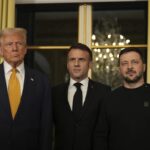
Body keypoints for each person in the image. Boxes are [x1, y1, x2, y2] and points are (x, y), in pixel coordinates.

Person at [0, 27, 52, 150]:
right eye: (9, 44)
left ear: (25, 49)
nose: (14, 48)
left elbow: (46, 125)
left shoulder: (41, 81)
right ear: (1, 50)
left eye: (19, 43)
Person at [52, 43, 111, 150]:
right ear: (67, 64)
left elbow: (107, 130)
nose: (76, 64)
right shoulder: (54, 93)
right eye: (72, 59)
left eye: (81, 60)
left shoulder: (103, 92)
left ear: (90, 64)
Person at [94, 47, 150, 150]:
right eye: (124, 63)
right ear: (120, 69)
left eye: (134, 62)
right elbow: (100, 138)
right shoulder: (108, 100)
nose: (129, 67)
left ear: (144, 67)